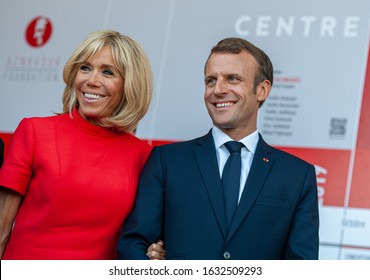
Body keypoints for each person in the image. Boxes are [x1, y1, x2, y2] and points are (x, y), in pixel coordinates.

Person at [118, 37, 319, 260]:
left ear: (262, 90)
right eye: (211, 81)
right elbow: (133, 243)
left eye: (232, 79)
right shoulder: (167, 161)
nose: (218, 90)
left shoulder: (297, 176)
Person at [0, 30, 153, 259]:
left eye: (107, 72)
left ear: (130, 84)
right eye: (85, 68)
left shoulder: (144, 156)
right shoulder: (35, 132)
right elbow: (2, 229)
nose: (91, 81)